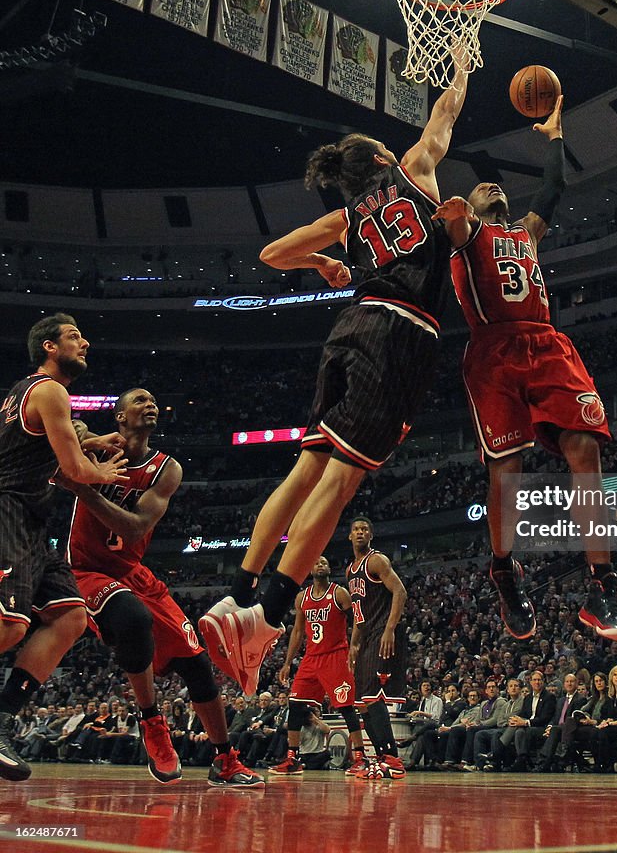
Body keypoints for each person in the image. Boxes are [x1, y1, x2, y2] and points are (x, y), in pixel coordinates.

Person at [199, 60, 470, 695]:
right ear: (380, 154)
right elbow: (447, 112)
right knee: (342, 481)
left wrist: (323, 262)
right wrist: (463, 56)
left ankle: (237, 593)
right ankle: (266, 615)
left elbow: (270, 254)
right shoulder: (414, 170)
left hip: (347, 332)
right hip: (399, 335)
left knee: (306, 470)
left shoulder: (347, 219)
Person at [432, 97, 617, 644]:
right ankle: (502, 566)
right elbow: (447, 224)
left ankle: (601, 589)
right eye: (482, 187)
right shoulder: (466, 231)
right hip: (494, 353)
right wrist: (449, 211)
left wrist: (554, 135)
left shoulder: (526, 233)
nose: (492, 186)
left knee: (586, 450)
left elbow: (553, 188)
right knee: (509, 470)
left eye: (496, 185)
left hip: (547, 345)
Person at [61, 386, 262, 788]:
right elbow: (70, 424)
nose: (151, 404)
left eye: (154, 401)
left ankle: (224, 761)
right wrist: (85, 439)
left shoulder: (166, 468)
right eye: (139, 400)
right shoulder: (96, 450)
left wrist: (83, 488)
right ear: (119, 416)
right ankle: (151, 719)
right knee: (132, 619)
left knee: (197, 666)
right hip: (86, 570)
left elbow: (134, 527)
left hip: (132, 569)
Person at [0, 313, 129, 782]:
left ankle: (2, 719)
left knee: (72, 617)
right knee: (10, 626)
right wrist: (105, 473)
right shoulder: (48, 389)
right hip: (6, 508)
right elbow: (73, 470)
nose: (86, 343)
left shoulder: (27, 394)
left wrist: (92, 440)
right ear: (49, 347)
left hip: (30, 518)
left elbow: (58, 457)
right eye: (75, 336)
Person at [273, 554, 365, 776]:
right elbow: (297, 632)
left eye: (324, 562)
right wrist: (287, 662)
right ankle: (293, 759)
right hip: (311, 658)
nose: (320, 565)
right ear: (309, 569)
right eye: (316, 562)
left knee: (346, 707)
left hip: (335, 656)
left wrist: (354, 646)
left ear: (329, 568)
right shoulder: (302, 598)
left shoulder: (339, 593)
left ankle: (361, 758)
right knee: (295, 706)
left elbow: (358, 620)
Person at [345, 516, 408, 779]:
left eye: (364, 529)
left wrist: (390, 629)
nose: (360, 532)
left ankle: (392, 757)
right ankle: (381, 757)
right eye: (356, 529)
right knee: (361, 701)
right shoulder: (350, 570)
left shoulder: (377, 560)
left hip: (384, 633)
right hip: (367, 635)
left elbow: (400, 591)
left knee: (372, 696)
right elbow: (359, 614)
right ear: (350, 536)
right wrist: (353, 645)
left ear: (370, 535)